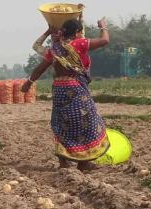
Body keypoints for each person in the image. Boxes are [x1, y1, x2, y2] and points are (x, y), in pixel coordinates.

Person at [23, 17, 111, 171]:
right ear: (77, 32)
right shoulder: (79, 43)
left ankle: (64, 162)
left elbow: (41, 67)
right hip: (75, 88)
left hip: (59, 89)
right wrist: (103, 27)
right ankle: (84, 162)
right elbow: (105, 41)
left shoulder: (55, 48)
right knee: (88, 122)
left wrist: (29, 82)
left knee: (62, 123)